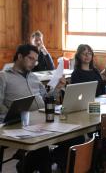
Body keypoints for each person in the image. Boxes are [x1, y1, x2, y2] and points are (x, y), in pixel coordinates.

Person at [0, 44, 65, 173]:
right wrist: (10, 115)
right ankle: (29, 165)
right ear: (19, 56)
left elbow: (47, 98)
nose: (33, 63)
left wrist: (58, 88)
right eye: (30, 58)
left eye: (35, 60)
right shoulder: (4, 76)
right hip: (17, 124)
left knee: (74, 139)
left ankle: (28, 165)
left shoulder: (34, 77)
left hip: (40, 122)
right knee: (42, 149)